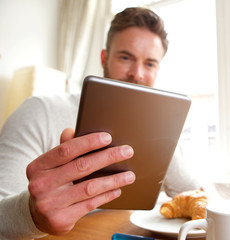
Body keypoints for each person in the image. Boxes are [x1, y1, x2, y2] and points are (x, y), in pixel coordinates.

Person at [0, 7, 200, 239]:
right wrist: (31, 214)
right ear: (104, 58)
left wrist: (162, 135)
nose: (137, 73)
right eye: (126, 57)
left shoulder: (156, 125)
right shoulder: (38, 111)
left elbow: (193, 192)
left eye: (150, 64)